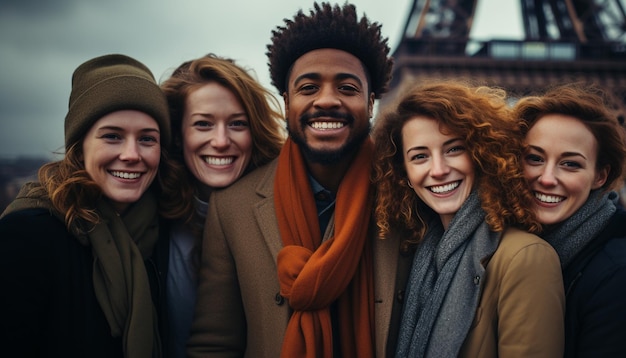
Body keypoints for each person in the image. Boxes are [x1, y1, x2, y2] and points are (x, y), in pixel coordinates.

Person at [186, 2, 393, 357]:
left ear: (371, 103)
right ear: (286, 103)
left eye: (347, 88)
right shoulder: (232, 208)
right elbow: (215, 343)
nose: (327, 100)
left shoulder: (408, 196)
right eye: (309, 87)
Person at [0, 54, 185, 357]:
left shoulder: (165, 233)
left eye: (147, 139)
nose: (131, 154)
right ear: (80, 146)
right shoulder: (28, 237)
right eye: (112, 136)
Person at [372, 82, 565, 357]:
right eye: (420, 156)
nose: (438, 170)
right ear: (405, 176)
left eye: (453, 149)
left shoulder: (526, 257)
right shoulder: (416, 258)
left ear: (481, 154)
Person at [159, 53, 285, 358]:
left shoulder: (288, 212)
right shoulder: (147, 218)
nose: (220, 140)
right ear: (177, 135)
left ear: (255, 132)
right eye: (203, 124)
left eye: (237, 124)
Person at [514, 83, 626, 357]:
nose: (548, 178)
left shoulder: (618, 273)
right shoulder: (513, 248)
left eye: (571, 164)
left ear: (600, 176)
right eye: (535, 158)